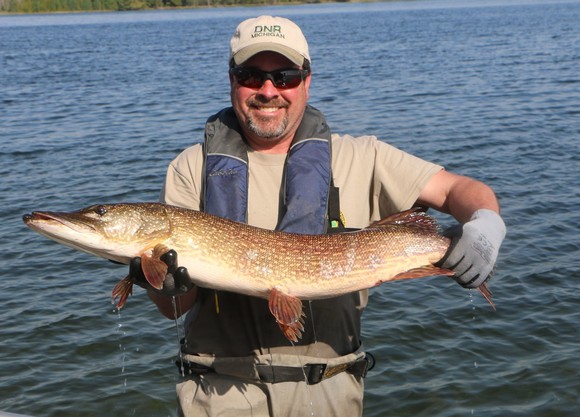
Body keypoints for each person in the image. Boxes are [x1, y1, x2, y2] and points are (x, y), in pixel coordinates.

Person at [134, 15, 506, 417]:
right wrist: (161, 282)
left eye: (285, 76)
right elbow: (174, 308)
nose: (268, 90)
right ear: (231, 80)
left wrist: (486, 223)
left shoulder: (361, 156)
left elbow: (459, 191)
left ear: (307, 81)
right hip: (220, 394)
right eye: (251, 75)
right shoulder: (191, 168)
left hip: (330, 394)